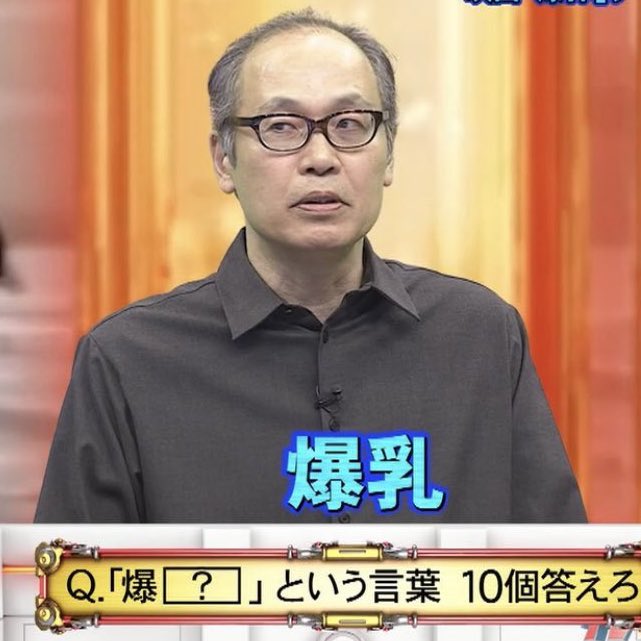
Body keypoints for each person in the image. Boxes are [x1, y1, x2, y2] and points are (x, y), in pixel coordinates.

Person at [35, 9, 586, 523]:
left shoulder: (481, 335)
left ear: (389, 153)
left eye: (350, 124)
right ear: (223, 159)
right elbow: (72, 586)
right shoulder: (126, 360)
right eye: (280, 126)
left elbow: (560, 575)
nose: (321, 158)